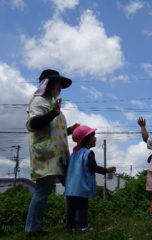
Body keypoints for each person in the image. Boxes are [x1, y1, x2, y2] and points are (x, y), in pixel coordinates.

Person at [25, 69, 78, 235]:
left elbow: (54, 131)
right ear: (47, 83)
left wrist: (69, 130)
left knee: (71, 187)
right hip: (47, 155)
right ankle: (33, 229)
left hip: (60, 155)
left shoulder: (51, 104)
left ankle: (74, 223)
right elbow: (34, 124)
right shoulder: (38, 101)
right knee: (43, 190)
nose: (60, 87)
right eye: (58, 83)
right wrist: (54, 112)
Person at [64, 125, 116, 232]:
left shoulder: (74, 154)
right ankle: (83, 227)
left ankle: (70, 227)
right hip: (81, 187)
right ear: (86, 139)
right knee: (83, 207)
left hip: (70, 188)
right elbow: (93, 167)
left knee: (71, 209)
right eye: (93, 136)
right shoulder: (88, 153)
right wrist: (107, 170)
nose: (95, 138)